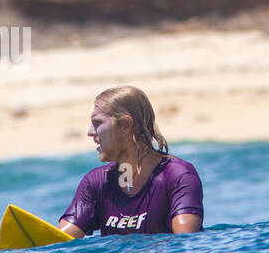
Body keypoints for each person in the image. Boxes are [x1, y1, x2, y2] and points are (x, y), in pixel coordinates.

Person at [58, 85, 203, 237]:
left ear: (126, 125)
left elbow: (186, 243)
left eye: (98, 123)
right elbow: (60, 242)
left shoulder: (178, 176)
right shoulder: (96, 183)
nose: (90, 132)